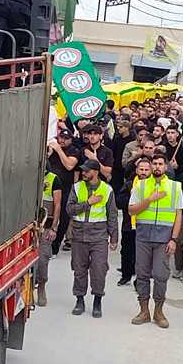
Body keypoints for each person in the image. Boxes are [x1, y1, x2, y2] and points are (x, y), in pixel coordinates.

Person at [129, 154, 183, 328]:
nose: (157, 166)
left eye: (161, 164)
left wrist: (174, 239)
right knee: (142, 275)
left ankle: (158, 311)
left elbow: (178, 216)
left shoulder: (175, 187)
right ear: (151, 166)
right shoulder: (141, 185)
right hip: (143, 236)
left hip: (164, 238)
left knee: (161, 275)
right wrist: (149, 200)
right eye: (155, 163)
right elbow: (131, 210)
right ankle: (144, 310)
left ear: (166, 166)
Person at [65, 160, 118, 318]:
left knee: (99, 270)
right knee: (79, 269)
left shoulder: (107, 190)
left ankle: (97, 300)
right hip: (79, 235)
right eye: (83, 171)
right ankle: (79, 299)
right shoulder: (77, 187)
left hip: (99, 236)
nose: (84, 173)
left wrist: (114, 237)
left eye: (87, 171)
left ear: (95, 172)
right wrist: (88, 203)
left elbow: (112, 215)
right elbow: (69, 209)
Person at [117, 158, 151, 286]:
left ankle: (140, 279)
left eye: (146, 170)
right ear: (136, 170)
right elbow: (119, 202)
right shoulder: (129, 184)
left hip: (146, 225)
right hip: (129, 224)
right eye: (141, 169)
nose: (143, 172)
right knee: (126, 251)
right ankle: (126, 275)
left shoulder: (154, 186)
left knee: (142, 255)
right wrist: (133, 197)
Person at [47, 131, 79, 256]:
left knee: (64, 217)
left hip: (65, 188)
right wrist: (50, 152)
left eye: (66, 138)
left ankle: (55, 246)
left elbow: (69, 166)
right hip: (50, 187)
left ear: (71, 139)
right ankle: (46, 243)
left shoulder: (74, 151)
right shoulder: (53, 148)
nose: (62, 140)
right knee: (47, 214)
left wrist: (59, 150)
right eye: (61, 137)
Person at [36, 168, 62, 307]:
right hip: (30, 226)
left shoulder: (53, 179)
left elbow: (57, 205)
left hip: (46, 226)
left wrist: (54, 227)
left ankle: (41, 287)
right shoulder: (31, 176)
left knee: (42, 259)